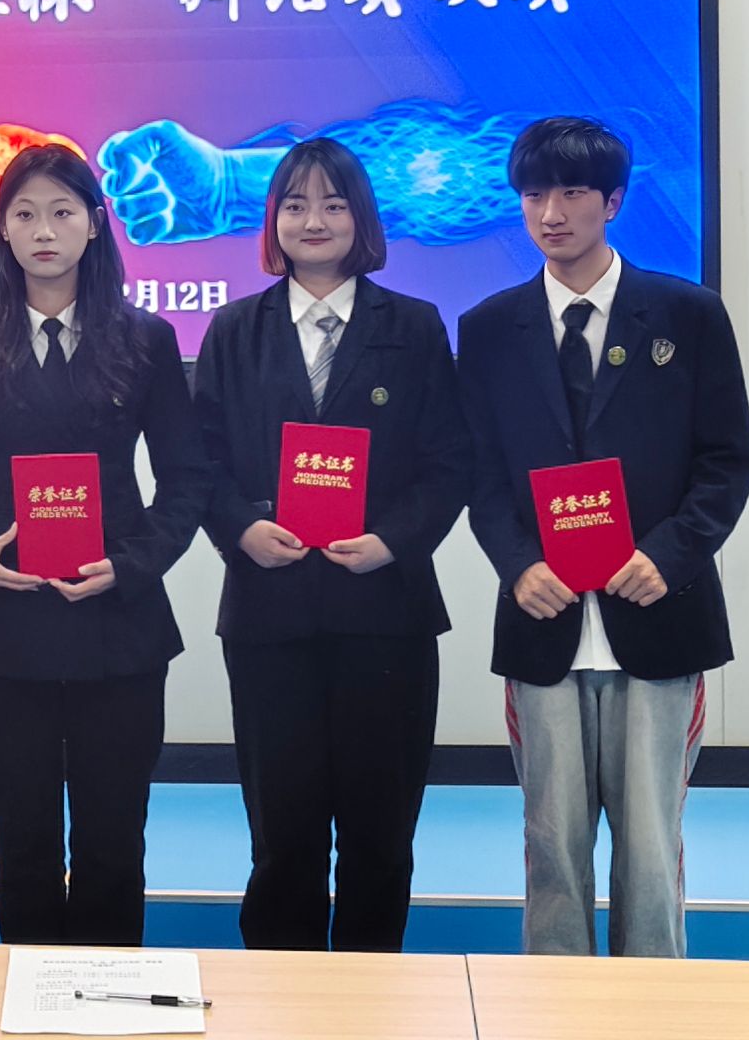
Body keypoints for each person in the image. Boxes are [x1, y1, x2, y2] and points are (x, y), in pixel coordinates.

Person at [459, 117, 749, 958]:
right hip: (544, 624)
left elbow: (729, 460)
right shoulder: (489, 328)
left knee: (651, 849)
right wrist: (518, 565)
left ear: (615, 201)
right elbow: (478, 473)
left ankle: (651, 1006)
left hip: (658, 619)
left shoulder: (688, 315)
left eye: (572, 192)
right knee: (551, 846)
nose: (551, 212)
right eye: (533, 194)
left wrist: (669, 556)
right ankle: (556, 1004)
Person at [0, 142, 208, 947]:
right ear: (2, 230)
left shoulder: (145, 340)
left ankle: (110, 995)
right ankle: (29, 994)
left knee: (114, 842)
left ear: (95, 224)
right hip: (5, 628)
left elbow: (186, 479)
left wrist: (133, 563)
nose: (44, 231)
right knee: (22, 842)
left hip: (119, 624)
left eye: (62, 212)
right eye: (25, 214)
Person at [191, 139, 468, 952]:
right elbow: (198, 461)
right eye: (295, 204)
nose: (313, 220)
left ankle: (370, 995)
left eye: (333, 204)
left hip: (385, 614)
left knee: (380, 836)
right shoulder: (233, 329)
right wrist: (241, 529)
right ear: (272, 219)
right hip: (269, 615)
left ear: (362, 219)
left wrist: (393, 540)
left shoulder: (413, 326)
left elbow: (451, 461)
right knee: (283, 834)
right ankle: (285, 996)